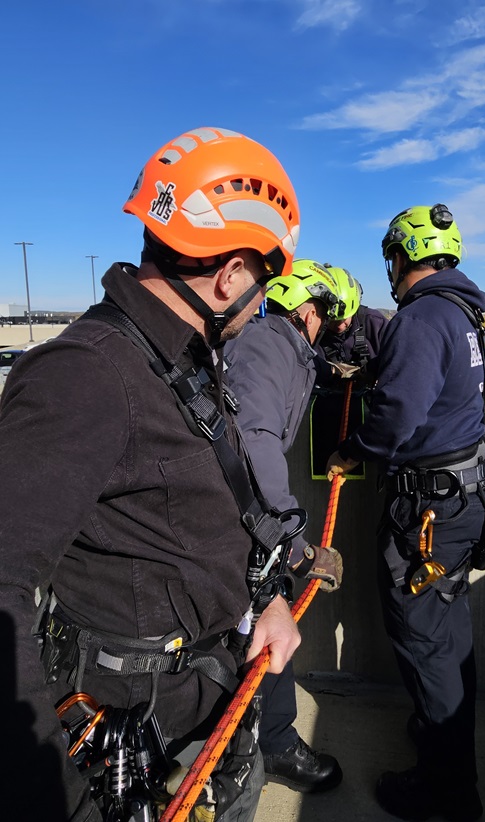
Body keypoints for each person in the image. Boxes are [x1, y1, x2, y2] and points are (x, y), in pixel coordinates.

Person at [0, 126, 305, 822]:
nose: (262, 303)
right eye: (264, 282)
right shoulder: (86, 376)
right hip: (129, 744)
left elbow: (218, 509)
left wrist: (271, 600)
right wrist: (57, 798)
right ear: (229, 274)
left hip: (204, 710)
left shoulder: (183, 364)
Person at [326, 204, 485, 821]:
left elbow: (395, 418)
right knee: (451, 638)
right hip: (460, 504)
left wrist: (350, 451)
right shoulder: (462, 313)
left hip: (427, 513)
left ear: (401, 255)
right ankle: (443, 737)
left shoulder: (423, 318)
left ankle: (448, 791)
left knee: (423, 641)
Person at [225, 259, 344, 794]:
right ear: (304, 309)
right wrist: (292, 541)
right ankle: (272, 744)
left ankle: (257, 737)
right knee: (266, 628)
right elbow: (254, 437)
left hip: (243, 516)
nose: (325, 324)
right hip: (241, 522)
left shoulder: (284, 346)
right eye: (323, 314)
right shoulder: (265, 346)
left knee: (258, 629)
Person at [314, 264, 388, 390]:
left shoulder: (376, 324)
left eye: (343, 319)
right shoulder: (313, 332)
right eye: (331, 321)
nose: (339, 327)